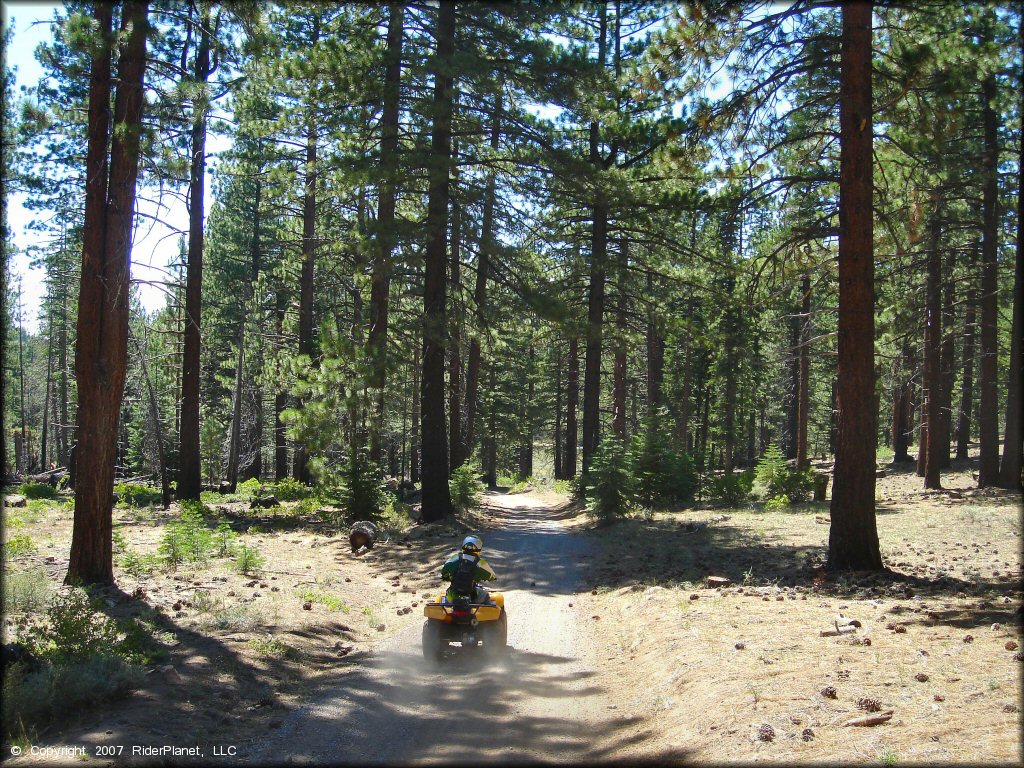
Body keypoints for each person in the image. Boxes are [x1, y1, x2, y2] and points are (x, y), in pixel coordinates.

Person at [441, 535, 496, 604]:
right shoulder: (481, 563)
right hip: (472, 598)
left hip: (452, 598)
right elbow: (492, 576)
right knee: (485, 594)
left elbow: (444, 572)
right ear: (479, 548)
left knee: (444, 598)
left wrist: (447, 577)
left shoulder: (454, 558)